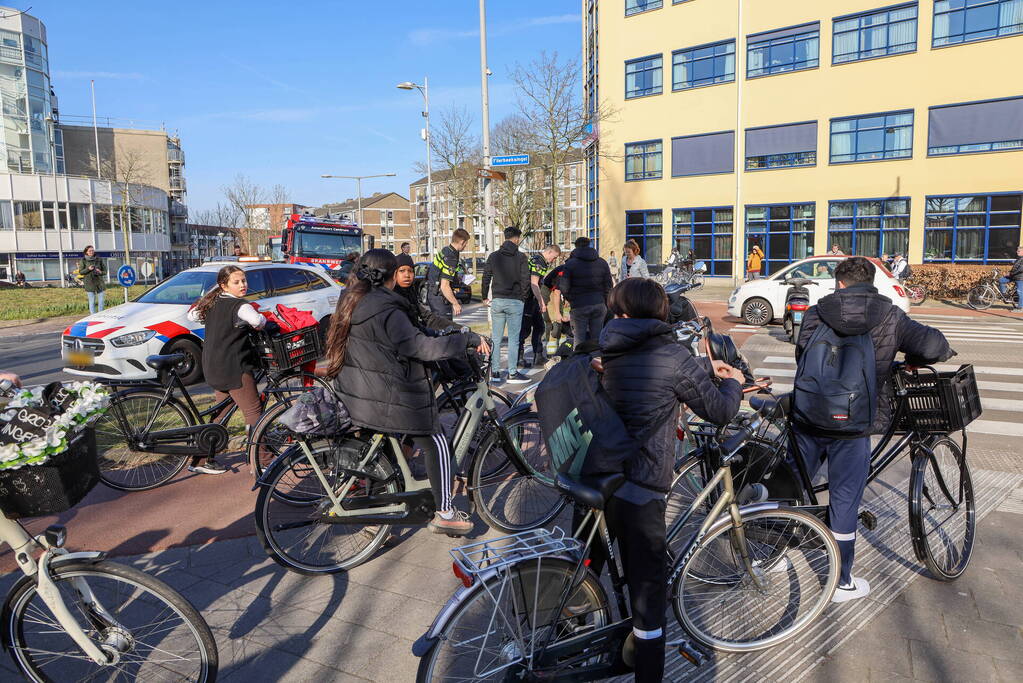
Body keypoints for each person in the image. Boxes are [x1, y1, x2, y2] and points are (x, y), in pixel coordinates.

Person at [596, 277, 745, 682]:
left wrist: (699, 367)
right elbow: (717, 411)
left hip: (602, 476)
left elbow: (650, 374)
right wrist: (733, 382)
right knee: (649, 604)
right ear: (661, 311)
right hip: (642, 487)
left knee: (607, 567)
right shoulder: (671, 355)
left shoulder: (610, 345)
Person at [794, 257, 953, 602]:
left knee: (792, 486)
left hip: (808, 415)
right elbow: (931, 346)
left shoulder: (815, 312)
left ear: (839, 282)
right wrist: (915, 360)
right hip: (853, 423)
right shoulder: (889, 314)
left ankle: (769, 554)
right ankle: (841, 581)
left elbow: (802, 355)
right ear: (873, 282)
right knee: (845, 499)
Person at [325, 249, 486, 535]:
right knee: (436, 441)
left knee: (383, 450)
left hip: (357, 391)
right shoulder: (387, 307)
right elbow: (419, 347)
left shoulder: (352, 299)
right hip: (384, 394)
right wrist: (463, 341)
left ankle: (375, 519)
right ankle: (446, 512)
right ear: (390, 276)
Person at [186, 265, 268, 475]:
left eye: (244, 281)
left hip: (213, 366)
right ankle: (263, 461)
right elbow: (257, 321)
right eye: (237, 282)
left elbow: (192, 316)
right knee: (254, 413)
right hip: (234, 367)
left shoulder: (212, 302)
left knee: (219, 415)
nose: (243, 285)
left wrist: (215, 293)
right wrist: (264, 320)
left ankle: (202, 459)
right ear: (224, 285)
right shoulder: (240, 306)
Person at [482, 226, 530, 385]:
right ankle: (512, 373)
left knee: (496, 337)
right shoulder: (521, 257)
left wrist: (484, 296)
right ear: (516, 238)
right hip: (515, 301)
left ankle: (495, 372)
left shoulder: (494, 256)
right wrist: (523, 297)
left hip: (497, 300)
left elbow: (486, 276)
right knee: (513, 339)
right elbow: (525, 280)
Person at [560, 236, 613, 345]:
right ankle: (596, 360)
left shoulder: (570, 264)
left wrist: (571, 299)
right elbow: (609, 286)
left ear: (576, 246)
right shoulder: (602, 262)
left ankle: (579, 361)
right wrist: (604, 301)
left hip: (579, 305)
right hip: (599, 304)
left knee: (579, 341)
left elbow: (564, 287)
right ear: (589, 245)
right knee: (597, 340)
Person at [518, 244, 561, 368]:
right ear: (549, 252)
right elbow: (534, 284)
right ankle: (519, 358)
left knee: (539, 326)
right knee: (525, 330)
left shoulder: (536, 259)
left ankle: (538, 356)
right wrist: (541, 302)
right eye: (554, 257)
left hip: (532, 300)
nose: (553, 261)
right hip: (528, 300)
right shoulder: (539, 262)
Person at [427, 228, 470, 319]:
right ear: (462, 242)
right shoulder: (451, 257)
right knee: (445, 328)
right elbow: (444, 286)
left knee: (438, 327)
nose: (465, 246)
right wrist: (455, 303)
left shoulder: (446, 250)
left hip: (433, 293)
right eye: (466, 244)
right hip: (439, 297)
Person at [78, 246, 107, 314]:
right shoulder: (83, 260)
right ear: (86, 252)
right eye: (90, 251)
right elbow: (81, 272)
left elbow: (105, 271)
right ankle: (93, 316)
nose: (91, 252)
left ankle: (101, 315)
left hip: (99, 283)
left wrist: (100, 272)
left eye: (92, 250)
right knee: (92, 301)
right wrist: (88, 269)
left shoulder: (99, 259)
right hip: (89, 283)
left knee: (101, 301)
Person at [997, 245, 1023, 311]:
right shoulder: (1019, 258)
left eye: (1019, 251)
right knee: (1001, 280)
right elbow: (1015, 268)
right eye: (1017, 250)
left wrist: (1010, 274)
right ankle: (1005, 293)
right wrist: (1009, 273)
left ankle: (1020, 308)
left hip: (1020, 278)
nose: (1017, 252)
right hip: (1013, 276)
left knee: (1020, 292)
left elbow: (1020, 270)